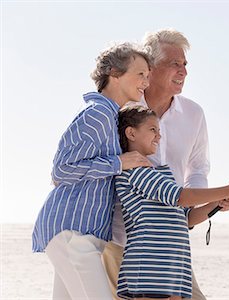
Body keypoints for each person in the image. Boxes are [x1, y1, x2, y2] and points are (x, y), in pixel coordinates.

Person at [32, 42, 153, 299]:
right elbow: (61, 171)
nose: (146, 81)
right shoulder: (97, 114)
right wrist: (119, 162)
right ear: (115, 73)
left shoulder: (110, 118)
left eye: (148, 76)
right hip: (72, 233)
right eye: (140, 73)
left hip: (82, 235)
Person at [102, 29, 217, 300]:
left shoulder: (193, 114)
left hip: (171, 245)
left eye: (185, 65)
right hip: (121, 240)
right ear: (149, 69)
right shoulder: (120, 111)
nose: (183, 71)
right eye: (174, 64)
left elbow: (198, 168)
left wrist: (199, 206)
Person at [115, 106, 229, 299]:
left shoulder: (157, 173)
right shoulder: (135, 171)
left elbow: (186, 218)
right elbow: (179, 196)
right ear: (131, 133)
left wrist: (216, 203)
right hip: (151, 266)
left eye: (159, 131)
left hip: (173, 267)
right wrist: (228, 190)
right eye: (152, 130)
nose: (159, 136)